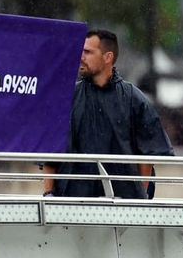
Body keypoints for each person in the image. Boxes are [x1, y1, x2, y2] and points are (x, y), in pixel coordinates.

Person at [43, 29, 173, 199]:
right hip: (72, 203)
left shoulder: (134, 99)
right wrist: (48, 194)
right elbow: (49, 155)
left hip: (122, 206)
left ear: (107, 57)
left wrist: (140, 200)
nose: (81, 56)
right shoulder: (67, 99)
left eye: (88, 52)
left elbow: (148, 155)